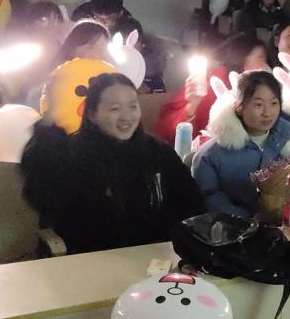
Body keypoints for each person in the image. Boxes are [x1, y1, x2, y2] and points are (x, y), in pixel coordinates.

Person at [20, 73, 204, 255]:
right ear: (92, 114)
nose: (126, 117)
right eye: (115, 109)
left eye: (133, 106)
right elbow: (42, 193)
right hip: (91, 260)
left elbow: (191, 204)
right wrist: (48, 124)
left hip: (154, 258)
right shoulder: (73, 154)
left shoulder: (157, 151)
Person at [191, 71, 290, 217]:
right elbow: (209, 196)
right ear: (238, 107)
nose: (268, 113)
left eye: (274, 103)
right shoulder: (210, 155)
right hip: (237, 228)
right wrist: (248, 221)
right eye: (258, 105)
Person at [153, 32, 270, 145]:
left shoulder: (262, 90)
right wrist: (192, 105)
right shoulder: (208, 80)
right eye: (260, 58)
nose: (265, 65)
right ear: (241, 58)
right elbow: (166, 131)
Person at [72, 0, 143, 38]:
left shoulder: (130, 28)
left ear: (120, 14)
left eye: (108, 19)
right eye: (98, 18)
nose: (102, 23)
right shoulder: (81, 16)